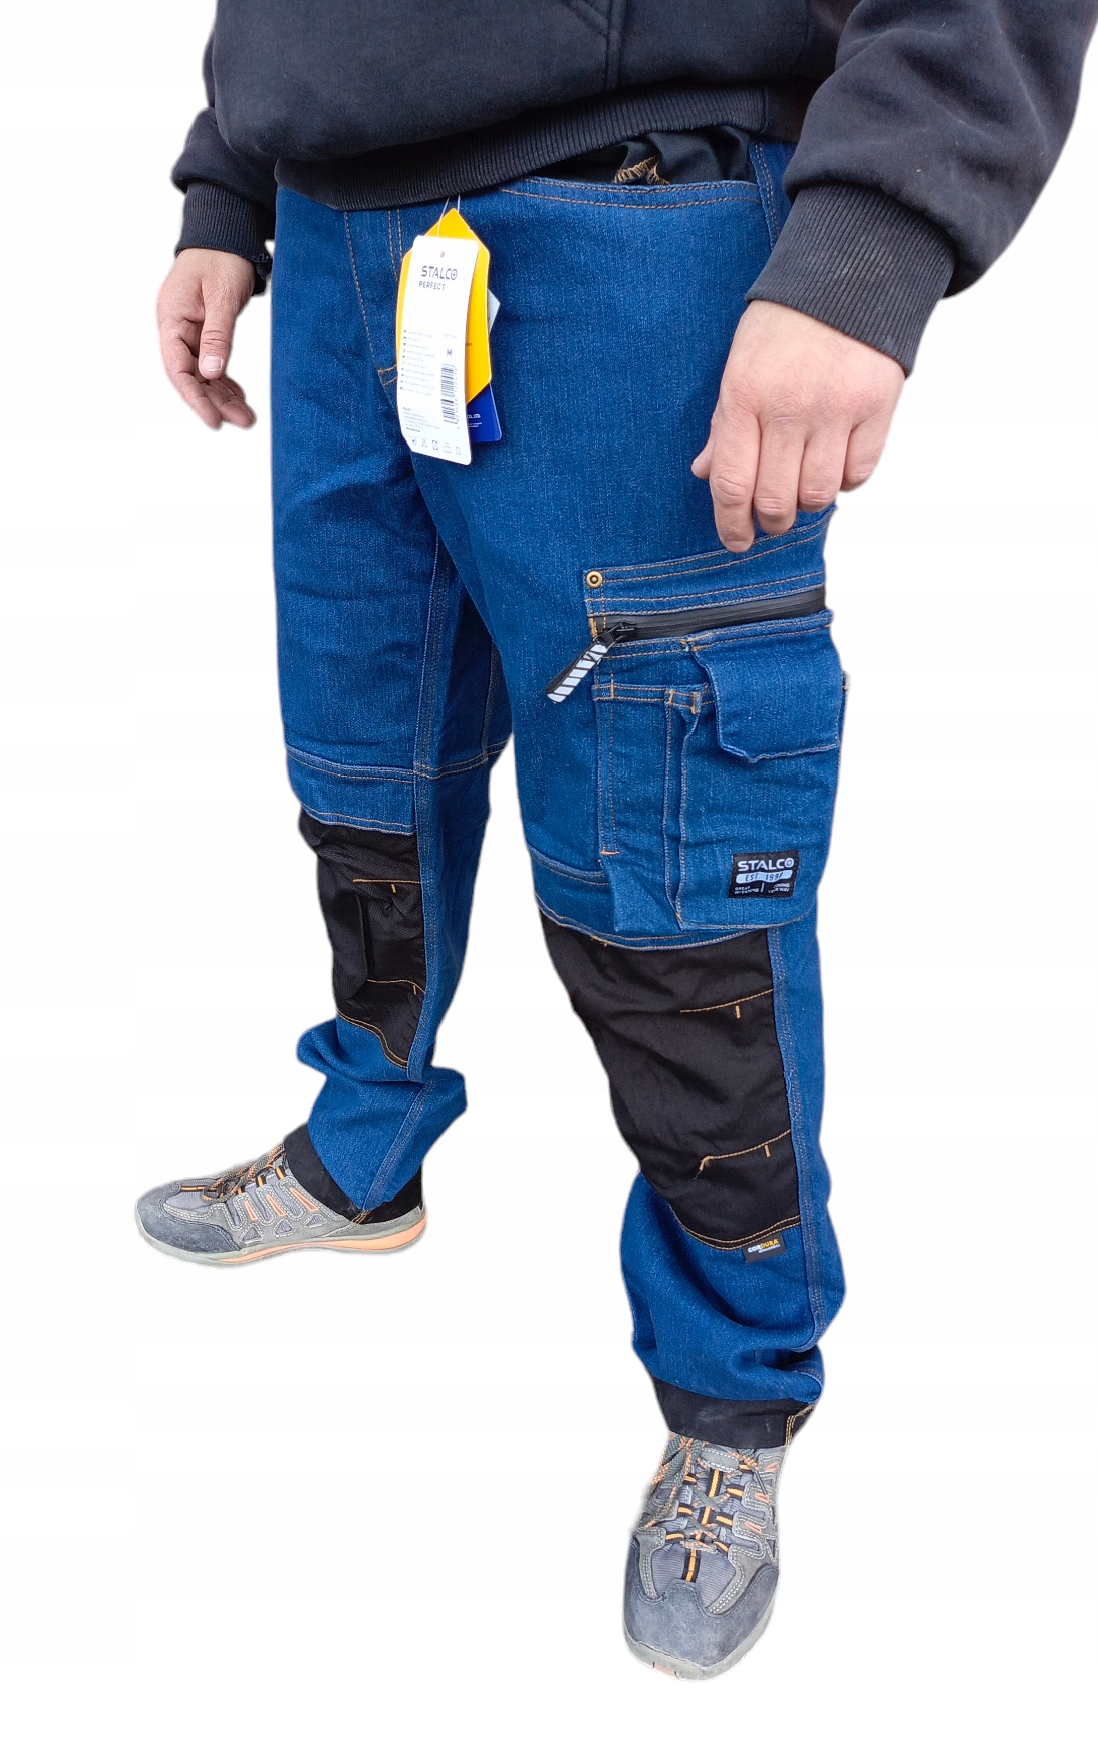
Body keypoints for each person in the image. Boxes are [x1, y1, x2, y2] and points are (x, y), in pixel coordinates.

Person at [138, 2, 1095, 1679]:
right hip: (338, 233)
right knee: (366, 761)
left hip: (625, 227)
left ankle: (734, 1390)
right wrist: (231, 177)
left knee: (668, 859)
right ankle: (364, 1149)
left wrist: (865, 246)